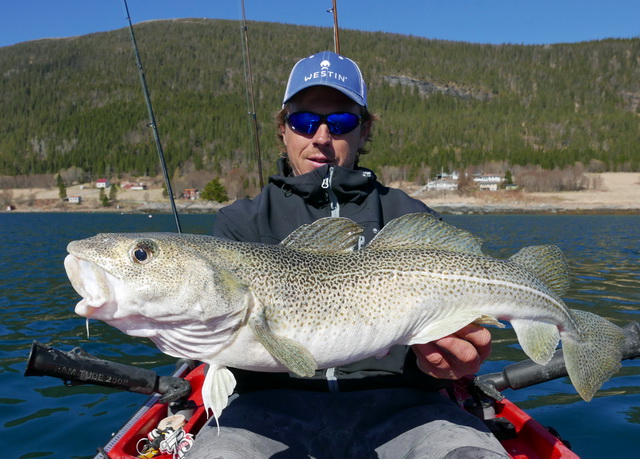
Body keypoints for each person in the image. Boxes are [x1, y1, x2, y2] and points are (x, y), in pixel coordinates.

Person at [188, 51, 508, 458]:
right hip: (264, 410)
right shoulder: (240, 224)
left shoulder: (410, 217)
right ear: (283, 129)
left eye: (340, 121)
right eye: (304, 121)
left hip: (409, 409)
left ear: (365, 129)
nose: (321, 137)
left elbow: (449, 343)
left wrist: (443, 364)